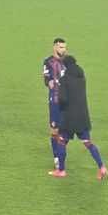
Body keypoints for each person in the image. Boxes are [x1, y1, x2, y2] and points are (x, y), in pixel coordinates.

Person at [51, 54, 108, 180]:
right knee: (87, 142)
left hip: (69, 117)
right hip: (83, 116)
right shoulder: (82, 76)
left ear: (65, 65)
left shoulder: (64, 79)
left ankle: (61, 171)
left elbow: (63, 99)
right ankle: (101, 167)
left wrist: (61, 108)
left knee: (61, 140)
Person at [43, 38, 68, 170]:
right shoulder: (48, 62)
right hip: (55, 99)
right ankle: (57, 158)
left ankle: (61, 151)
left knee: (67, 130)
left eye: (64, 47)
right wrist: (51, 83)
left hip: (68, 99)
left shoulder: (68, 61)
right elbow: (48, 79)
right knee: (55, 130)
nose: (63, 50)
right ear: (54, 47)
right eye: (60, 47)